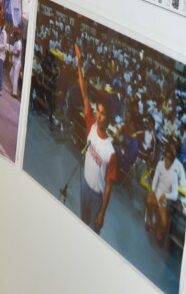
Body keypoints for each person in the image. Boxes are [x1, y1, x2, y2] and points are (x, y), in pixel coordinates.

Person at [75, 44, 117, 234]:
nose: (98, 116)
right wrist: (79, 65)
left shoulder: (111, 152)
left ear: (108, 119)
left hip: (96, 196)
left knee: (91, 233)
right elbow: (84, 93)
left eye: (102, 113)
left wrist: (102, 213)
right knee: (80, 226)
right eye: (98, 111)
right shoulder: (91, 125)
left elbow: (108, 187)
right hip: (84, 185)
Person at [146, 138, 186, 246]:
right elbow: (156, 178)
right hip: (158, 192)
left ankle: (159, 231)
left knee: (164, 221)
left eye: (174, 149)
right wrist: (153, 191)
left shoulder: (177, 169)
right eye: (170, 148)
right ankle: (150, 221)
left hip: (167, 197)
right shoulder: (161, 163)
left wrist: (166, 195)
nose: (167, 161)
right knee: (149, 198)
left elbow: (182, 183)